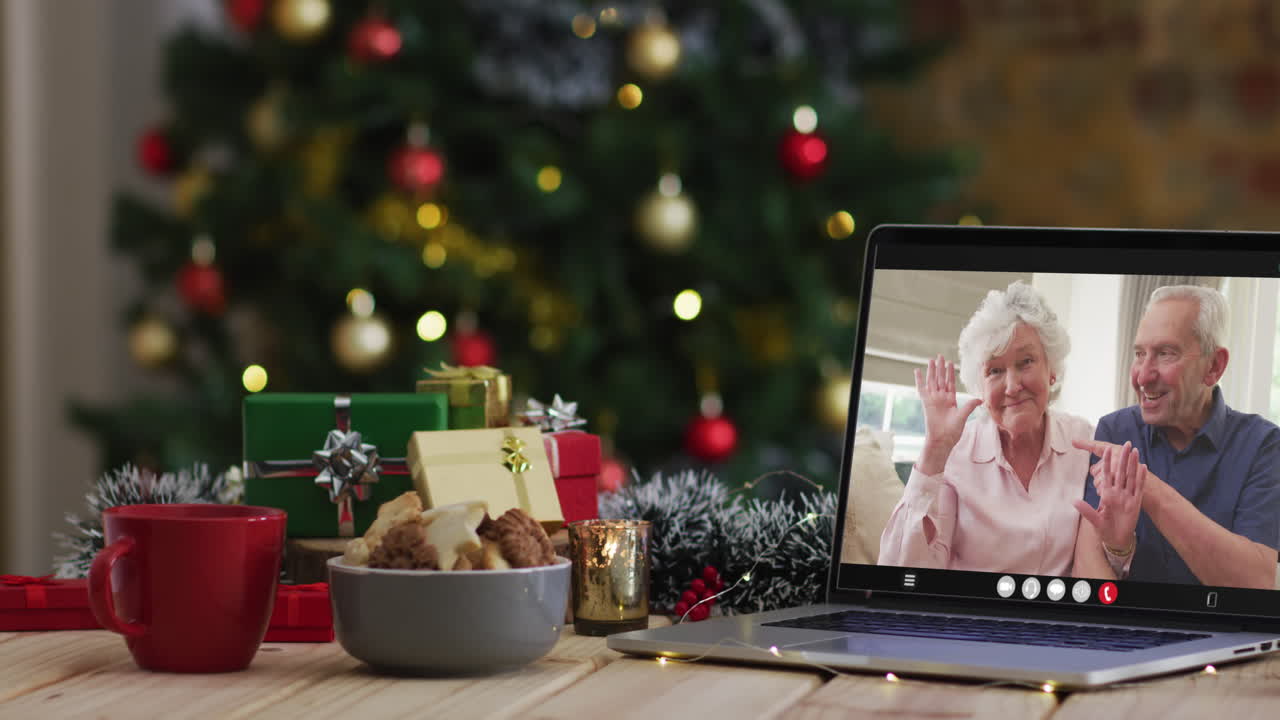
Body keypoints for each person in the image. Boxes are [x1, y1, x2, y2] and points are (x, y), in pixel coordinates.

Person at [878, 281, 1095, 574]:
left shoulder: (1084, 442)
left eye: (1026, 362)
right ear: (980, 385)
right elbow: (899, 572)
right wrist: (934, 452)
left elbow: (1106, 559)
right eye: (995, 370)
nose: (1012, 386)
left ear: (1051, 369)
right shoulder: (955, 453)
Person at [1072, 285, 1280, 588]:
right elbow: (1089, 565)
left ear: (1214, 366)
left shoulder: (1263, 446)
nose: (1143, 376)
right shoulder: (1116, 431)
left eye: (1165, 354)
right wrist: (1125, 624)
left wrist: (1150, 491)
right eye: (1140, 354)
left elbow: (1254, 582)